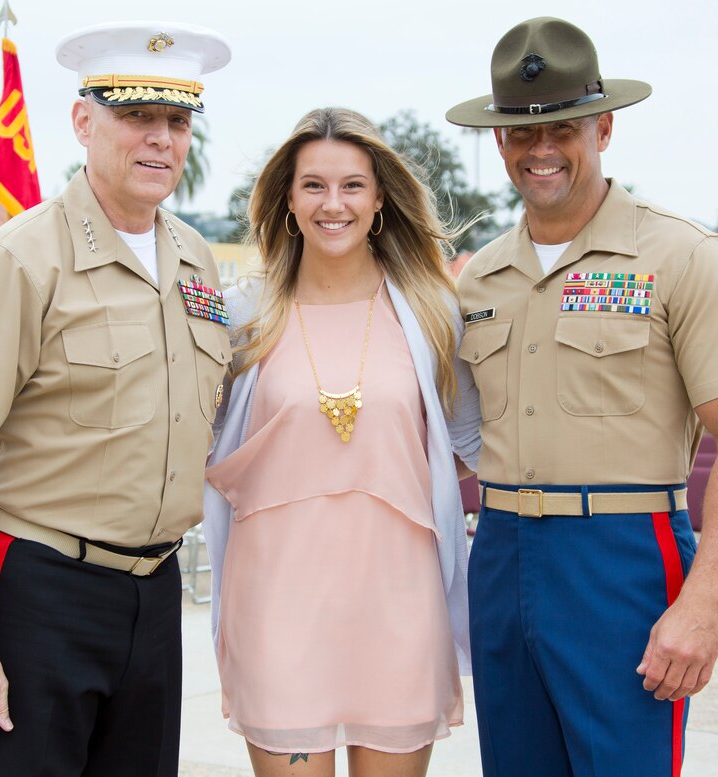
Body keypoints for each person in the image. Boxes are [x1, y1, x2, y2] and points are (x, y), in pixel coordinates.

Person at [445, 17, 718, 777]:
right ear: (499, 142)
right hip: (501, 555)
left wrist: (703, 604)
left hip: (621, 561)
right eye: (519, 132)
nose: (540, 150)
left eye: (561, 127)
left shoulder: (683, 257)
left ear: (603, 128)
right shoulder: (482, 278)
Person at [0, 21, 232, 776]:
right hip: (37, 592)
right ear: (84, 121)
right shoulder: (22, 260)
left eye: (177, 122)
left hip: (155, 594)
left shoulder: (195, 257)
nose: (160, 140)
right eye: (136, 117)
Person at [203, 107, 481, 777]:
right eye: (314, 186)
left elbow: (469, 440)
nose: (334, 204)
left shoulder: (431, 311)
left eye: (353, 185)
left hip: (399, 603)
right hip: (277, 604)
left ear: (381, 197)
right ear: (288, 200)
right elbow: (195, 438)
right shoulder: (243, 313)